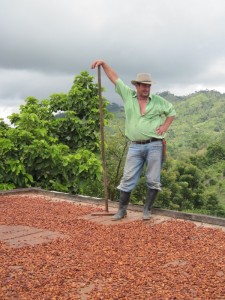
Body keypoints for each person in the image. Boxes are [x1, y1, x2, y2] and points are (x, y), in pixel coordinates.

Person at [91, 60, 176, 221]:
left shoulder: (158, 101)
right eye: (143, 85)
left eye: (148, 85)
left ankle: (147, 210)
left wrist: (165, 127)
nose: (146, 88)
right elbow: (115, 78)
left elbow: (172, 112)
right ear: (137, 86)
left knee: (153, 180)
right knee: (128, 178)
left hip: (155, 145)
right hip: (135, 146)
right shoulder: (128, 95)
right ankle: (122, 210)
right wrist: (103, 64)